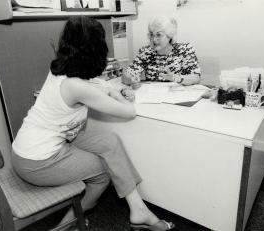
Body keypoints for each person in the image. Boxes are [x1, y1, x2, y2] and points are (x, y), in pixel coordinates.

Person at [11, 16, 175, 231]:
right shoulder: (77, 87)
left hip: (30, 146)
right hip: (37, 161)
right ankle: (67, 224)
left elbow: (92, 85)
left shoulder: (59, 70)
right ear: (95, 49)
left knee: (110, 141)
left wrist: (109, 89)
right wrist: (117, 94)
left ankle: (139, 211)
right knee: (106, 170)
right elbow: (128, 112)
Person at [124, 15, 201, 87]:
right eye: (151, 34)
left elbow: (196, 78)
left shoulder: (185, 50)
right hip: (153, 97)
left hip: (178, 95)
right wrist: (132, 79)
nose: (154, 39)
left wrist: (176, 78)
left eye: (159, 35)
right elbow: (126, 76)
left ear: (169, 35)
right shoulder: (145, 52)